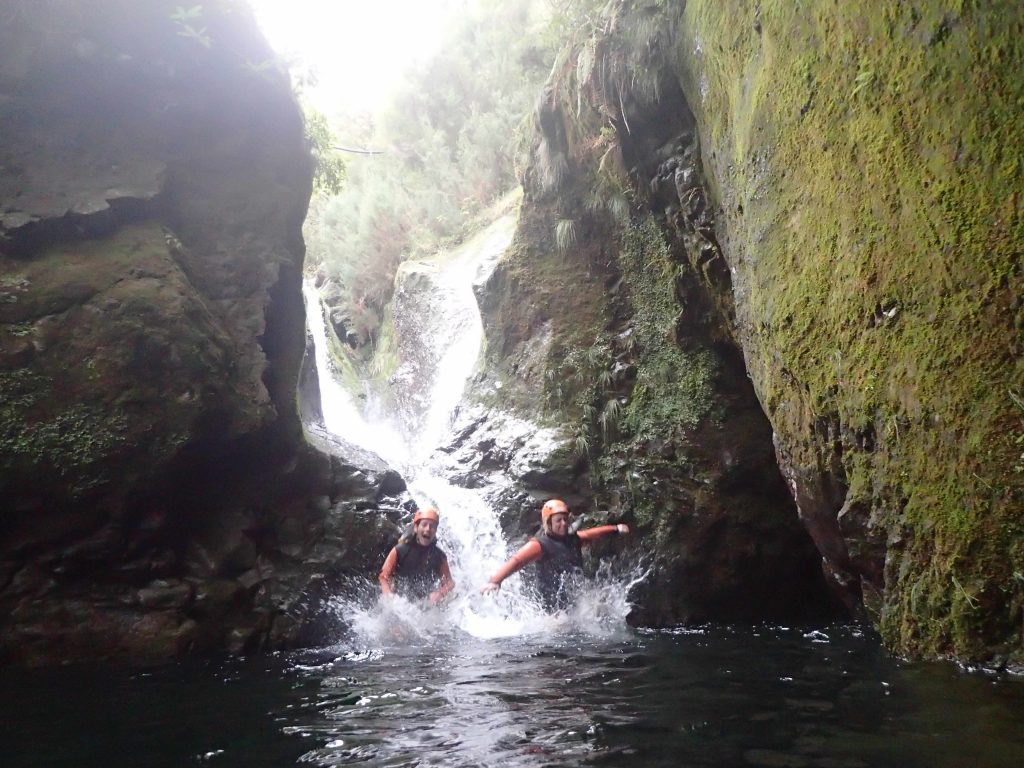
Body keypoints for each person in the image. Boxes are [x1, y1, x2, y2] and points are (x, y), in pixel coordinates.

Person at [479, 499, 629, 609]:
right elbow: (516, 561)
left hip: (574, 605)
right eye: (558, 521)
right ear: (548, 523)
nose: (563, 524)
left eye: (565, 519)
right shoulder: (539, 545)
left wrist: (615, 528)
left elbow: (590, 534)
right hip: (553, 612)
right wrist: (495, 581)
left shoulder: (572, 539)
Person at [379, 507, 455, 606]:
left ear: (435, 530)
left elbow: (449, 582)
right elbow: (384, 576)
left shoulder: (439, 556)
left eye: (432, 526)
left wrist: (440, 593)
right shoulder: (399, 550)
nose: (428, 529)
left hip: (425, 601)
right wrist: (388, 594)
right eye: (424, 525)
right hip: (400, 601)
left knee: (453, 597)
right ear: (416, 528)